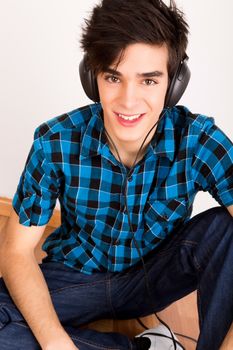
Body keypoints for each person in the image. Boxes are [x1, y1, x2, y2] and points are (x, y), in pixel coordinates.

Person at [0, 0, 233, 349]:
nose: (128, 100)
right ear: (91, 77)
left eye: (149, 81)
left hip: (155, 276)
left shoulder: (199, 141)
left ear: (174, 84)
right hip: (78, 276)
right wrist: (53, 342)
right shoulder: (55, 143)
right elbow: (17, 252)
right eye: (113, 77)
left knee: (225, 228)